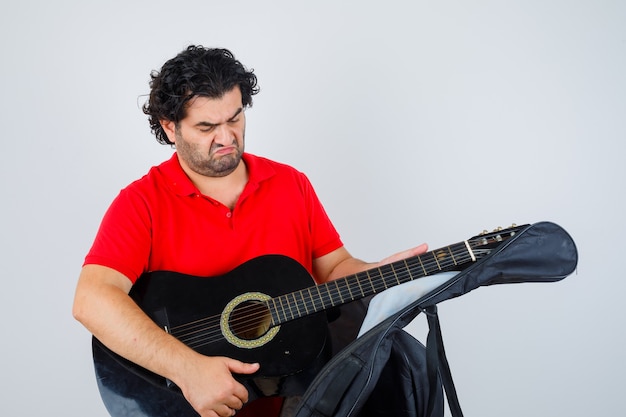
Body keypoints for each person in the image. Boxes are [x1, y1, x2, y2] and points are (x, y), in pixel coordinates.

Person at [72, 45, 427, 417]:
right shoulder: (140, 203)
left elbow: (335, 268)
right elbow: (92, 301)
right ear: (169, 126)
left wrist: (382, 275)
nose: (227, 138)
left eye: (235, 118)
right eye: (207, 127)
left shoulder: (290, 183)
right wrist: (187, 369)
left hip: (301, 399)